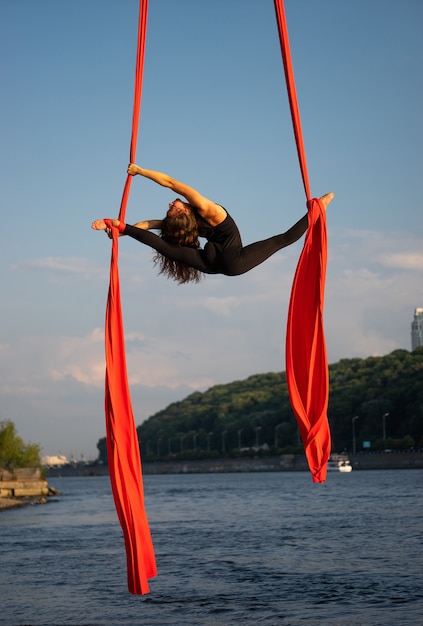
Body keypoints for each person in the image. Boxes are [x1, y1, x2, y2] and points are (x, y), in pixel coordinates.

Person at [92, 164, 334, 284]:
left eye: (171, 207)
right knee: (281, 240)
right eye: (172, 207)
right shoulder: (196, 214)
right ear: (183, 212)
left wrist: (120, 228)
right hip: (229, 262)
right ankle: (318, 209)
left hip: (212, 261)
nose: (171, 203)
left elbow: (162, 201)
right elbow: (156, 211)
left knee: (165, 247)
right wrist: (119, 231)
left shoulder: (197, 214)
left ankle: (121, 227)